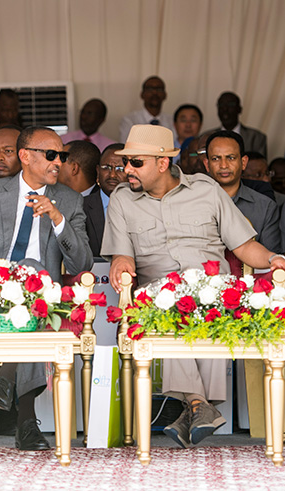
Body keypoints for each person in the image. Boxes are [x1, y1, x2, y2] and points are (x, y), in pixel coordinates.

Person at [102, 124, 285, 448]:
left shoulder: (206, 189)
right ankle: (201, 405)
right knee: (170, 309)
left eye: (136, 162)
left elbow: (243, 246)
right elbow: (122, 254)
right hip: (159, 293)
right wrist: (120, 262)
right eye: (126, 161)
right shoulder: (122, 200)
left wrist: (273, 258)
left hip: (212, 286)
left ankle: (195, 408)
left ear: (163, 163)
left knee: (212, 304)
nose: (126, 170)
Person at [0, 126, 93, 451]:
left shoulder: (69, 200)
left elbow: (82, 264)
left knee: (35, 275)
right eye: (51, 155)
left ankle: (9, 389)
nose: (58, 162)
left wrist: (57, 219)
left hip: (41, 298)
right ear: (25, 156)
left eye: (62, 156)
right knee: (32, 275)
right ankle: (23, 418)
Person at [203, 130, 280, 253]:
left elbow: (271, 258)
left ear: (243, 162)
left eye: (231, 158)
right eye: (216, 158)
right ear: (207, 164)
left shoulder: (265, 207)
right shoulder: (192, 202)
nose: (224, 165)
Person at [58, 140, 104, 256]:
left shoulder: (103, 204)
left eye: (61, 158)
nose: (55, 163)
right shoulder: (53, 198)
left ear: (74, 168)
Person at [118, 76, 176, 142]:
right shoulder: (129, 120)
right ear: (142, 94)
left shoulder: (172, 121)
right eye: (150, 89)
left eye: (159, 89)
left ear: (165, 95)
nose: (155, 92)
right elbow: (125, 145)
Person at [217, 92, 267, 157]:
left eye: (230, 105)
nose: (225, 109)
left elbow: (260, 162)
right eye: (221, 105)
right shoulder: (207, 137)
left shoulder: (256, 138)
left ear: (239, 109)